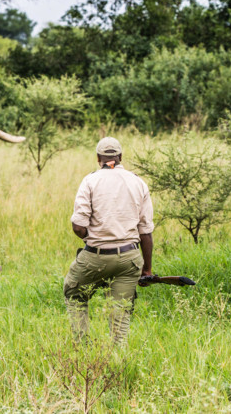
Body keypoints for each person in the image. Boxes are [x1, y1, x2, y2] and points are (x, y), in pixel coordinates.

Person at [63, 137, 154, 345]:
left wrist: (93, 239)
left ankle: (82, 346)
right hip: (129, 258)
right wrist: (147, 270)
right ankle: (117, 353)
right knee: (120, 312)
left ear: (98, 158)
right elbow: (145, 232)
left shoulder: (90, 181)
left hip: (95, 257)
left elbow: (78, 226)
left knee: (74, 292)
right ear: (120, 157)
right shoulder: (138, 182)